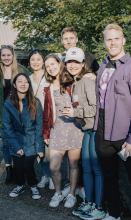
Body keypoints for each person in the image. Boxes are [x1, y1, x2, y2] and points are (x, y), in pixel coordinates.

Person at [94, 24, 131, 220]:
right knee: (110, 177)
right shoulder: (103, 66)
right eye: (109, 39)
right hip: (103, 133)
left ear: (123, 40)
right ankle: (114, 214)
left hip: (125, 136)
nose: (113, 43)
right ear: (104, 43)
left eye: (116, 39)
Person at [62, 47, 105, 219]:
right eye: (69, 62)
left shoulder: (88, 82)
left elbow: (96, 109)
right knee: (86, 168)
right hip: (86, 130)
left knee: (96, 169)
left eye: (76, 62)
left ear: (83, 64)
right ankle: (88, 203)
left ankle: (99, 207)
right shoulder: (75, 84)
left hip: (95, 130)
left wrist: (75, 113)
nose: (72, 65)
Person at [60, 26, 100, 199]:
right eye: (65, 39)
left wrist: (95, 77)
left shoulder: (88, 58)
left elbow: (101, 79)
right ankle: (75, 186)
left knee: (91, 164)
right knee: (75, 159)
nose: (68, 41)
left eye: (71, 38)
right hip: (76, 119)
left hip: (89, 121)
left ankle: (91, 198)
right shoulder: (63, 62)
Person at [43, 54, 84, 208]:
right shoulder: (48, 87)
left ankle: (72, 194)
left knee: (73, 164)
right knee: (53, 166)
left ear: (59, 63)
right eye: (48, 66)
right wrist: (45, 133)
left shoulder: (72, 82)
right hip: (57, 129)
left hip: (75, 128)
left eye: (53, 64)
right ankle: (58, 193)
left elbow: (82, 102)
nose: (51, 68)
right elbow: (46, 113)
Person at [0, 45, 30, 185]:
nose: (6, 58)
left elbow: (31, 86)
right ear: (0, 57)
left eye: (8, 55)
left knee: (21, 141)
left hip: (19, 112)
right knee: (6, 143)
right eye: (3, 55)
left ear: (13, 56)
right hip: (3, 113)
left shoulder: (22, 70)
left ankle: (21, 169)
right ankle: (9, 170)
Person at [2, 73, 44, 199]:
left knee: (27, 165)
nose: (23, 84)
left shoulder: (35, 102)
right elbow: (7, 128)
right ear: (14, 85)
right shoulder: (8, 104)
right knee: (18, 166)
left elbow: (39, 126)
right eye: (20, 81)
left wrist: (40, 148)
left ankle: (33, 186)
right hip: (16, 139)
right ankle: (20, 185)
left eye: (26, 81)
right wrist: (16, 146)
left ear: (29, 85)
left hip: (31, 140)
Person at [28, 49, 55, 190]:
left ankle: (52, 176)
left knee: (49, 150)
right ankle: (44, 176)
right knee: (40, 150)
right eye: (33, 59)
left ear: (43, 61)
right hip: (34, 118)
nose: (36, 62)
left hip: (49, 118)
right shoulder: (28, 78)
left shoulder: (49, 76)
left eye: (38, 59)